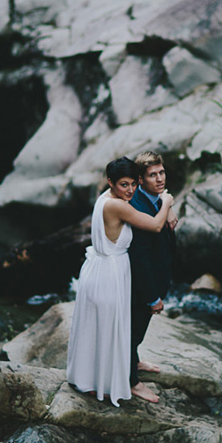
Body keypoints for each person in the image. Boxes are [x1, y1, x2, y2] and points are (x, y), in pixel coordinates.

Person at [66, 156, 174, 407]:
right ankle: (120, 382)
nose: (130, 190)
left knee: (104, 328)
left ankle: (118, 367)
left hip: (100, 269)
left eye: (133, 184)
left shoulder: (109, 197)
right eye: (124, 185)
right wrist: (168, 202)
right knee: (110, 329)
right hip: (109, 275)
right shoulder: (118, 206)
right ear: (111, 182)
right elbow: (156, 226)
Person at [128, 150, 177, 404]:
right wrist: (152, 297)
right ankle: (131, 382)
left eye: (161, 172)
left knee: (138, 329)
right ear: (140, 179)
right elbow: (141, 260)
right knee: (131, 331)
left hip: (156, 276)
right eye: (152, 175)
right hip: (139, 284)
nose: (159, 179)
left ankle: (134, 362)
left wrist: (167, 207)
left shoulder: (154, 198)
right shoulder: (137, 205)